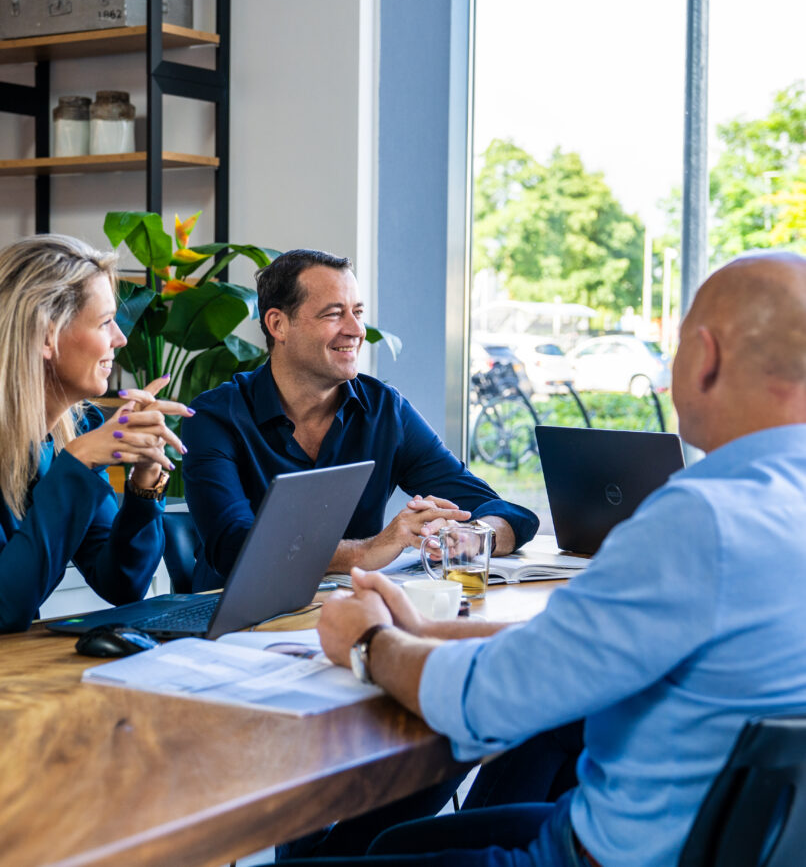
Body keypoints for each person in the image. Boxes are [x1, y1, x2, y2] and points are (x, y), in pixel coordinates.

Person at [296, 251, 806, 867]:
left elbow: (489, 702)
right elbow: (586, 643)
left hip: (611, 855)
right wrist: (426, 629)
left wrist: (369, 642)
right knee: (392, 843)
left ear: (706, 356)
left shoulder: (701, 521)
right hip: (741, 842)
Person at [182, 249, 538, 585]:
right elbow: (234, 547)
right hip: (233, 625)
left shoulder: (385, 409)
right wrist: (369, 550)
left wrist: (472, 538)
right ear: (278, 325)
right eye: (334, 314)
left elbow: (507, 513)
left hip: (347, 616)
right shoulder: (215, 417)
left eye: (358, 312)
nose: (356, 330)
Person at [0, 234, 192, 634]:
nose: (120, 339)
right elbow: (4, 608)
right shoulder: (79, 449)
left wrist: (143, 482)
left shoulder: (78, 427)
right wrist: (80, 463)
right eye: (106, 322)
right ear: (44, 336)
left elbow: (122, 583)